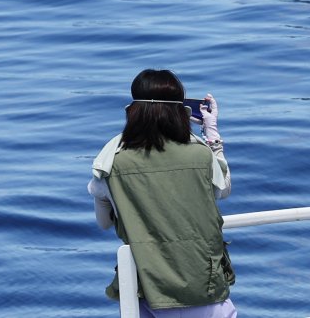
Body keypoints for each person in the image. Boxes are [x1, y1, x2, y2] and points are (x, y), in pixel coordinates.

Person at [88, 69, 237, 318]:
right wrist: (212, 134)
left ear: (132, 110)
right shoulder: (200, 154)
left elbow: (104, 223)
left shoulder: (110, 161)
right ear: (182, 111)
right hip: (204, 287)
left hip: (147, 291)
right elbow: (224, 189)